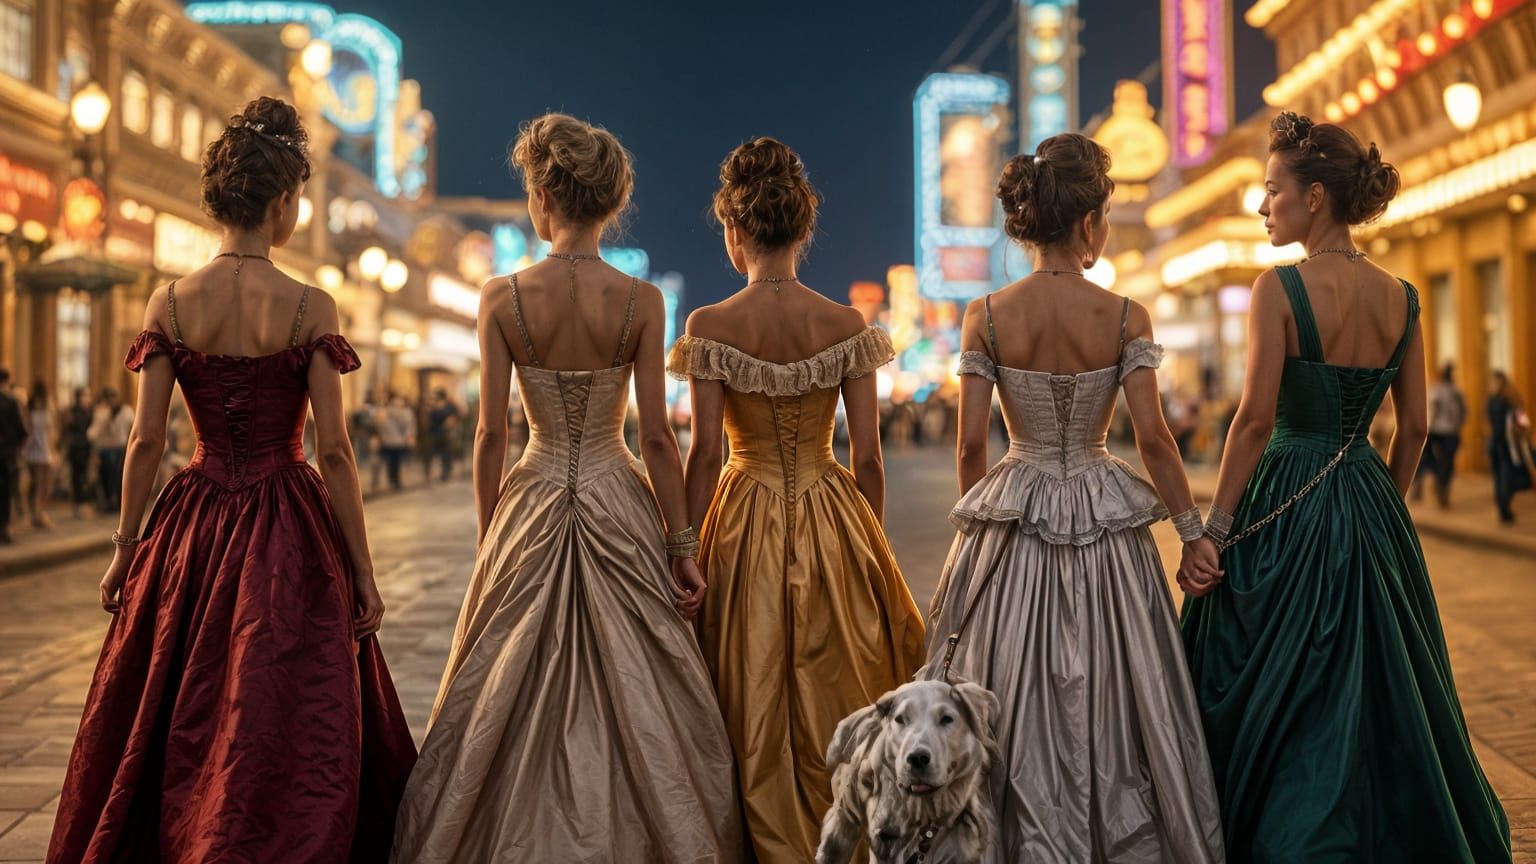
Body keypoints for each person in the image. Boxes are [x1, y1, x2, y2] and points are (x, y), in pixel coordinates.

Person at [47, 97, 415, 864]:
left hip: (193, 516)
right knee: (282, 700)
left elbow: (147, 440)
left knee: (178, 695)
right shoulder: (311, 305)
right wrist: (363, 571)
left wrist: (125, 547)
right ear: (282, 202)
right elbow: (337, 453)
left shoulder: (170, 303)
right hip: (290, 518)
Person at [391, 113, 741, 863]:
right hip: (618, 489)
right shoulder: (640, 301)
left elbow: (491, 434)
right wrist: (681, 545)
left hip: (534, 491)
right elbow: (655, 438)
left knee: (500, 686)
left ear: (544, 192)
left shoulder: (502, 297)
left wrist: (494, 537)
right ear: (610, 203)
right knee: (646, 690)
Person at [1182, 112, 1509, 861]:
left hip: (1287, 489)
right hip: (1367, 490)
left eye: (1272, 192)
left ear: (1316, 198)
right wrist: (1382, 502)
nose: (1264, 207)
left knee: (1276, 676)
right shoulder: (1402, 296)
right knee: (1384, 686)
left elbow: (1255, 421)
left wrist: (1215, 528)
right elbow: (1416, 425)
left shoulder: (1279, 288)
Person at [925, 133, 1225, 863]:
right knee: (1123, 691)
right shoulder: (1126, 316)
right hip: (1103, 508)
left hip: (1015, 502)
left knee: (1007, 688)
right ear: (1090, 222)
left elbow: (970, 447)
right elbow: (1154, 439)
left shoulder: (987, 316)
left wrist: (985, 531)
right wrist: (1193, 533)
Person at [670, 136, 925, 862]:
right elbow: (869, 457)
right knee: (834, 678)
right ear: (804, 230)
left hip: (742, 509)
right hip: (830, 506)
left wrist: (684, 547)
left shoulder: (710, 326)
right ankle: (837, 830)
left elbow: (707, 452)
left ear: (733, 231)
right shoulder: (846, 325)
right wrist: (866, 547)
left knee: (747, 686)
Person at [1413, 362, 1466, 507]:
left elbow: (1432, 410)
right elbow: (1463, 413)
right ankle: (1441, 486)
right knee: (1447, 462)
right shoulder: (1456, 392)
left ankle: (1433, 485)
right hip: (1449, 432)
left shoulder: (1435, 390)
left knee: (1430, 460)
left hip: (1436, 430)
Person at [1488, 370, 1532, 524]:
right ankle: (1504, 509)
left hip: (1494, 442)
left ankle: (1502, 507)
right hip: (1506, 445)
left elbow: (1490, 421)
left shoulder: (1492, 400)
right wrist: (1527, 431)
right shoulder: (1509, 399)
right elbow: (1522, 419)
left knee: (1498, 477)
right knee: (1507, 476)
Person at [87, 387, 133, 512]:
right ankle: (108, 502)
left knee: (121, 476)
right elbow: (93, 433)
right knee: (107, 477)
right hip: (106, 450)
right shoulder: (102, 413)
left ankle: (120, 503)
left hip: (122, 448)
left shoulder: (126, 411)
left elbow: (133, 428)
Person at [23, 380, 56, 529]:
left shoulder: (46, 407)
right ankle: (37, 514)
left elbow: (52, 430)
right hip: (35, 449)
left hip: (44, 449)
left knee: (45, 485)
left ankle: (39, 513)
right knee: (38, 484)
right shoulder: (29, 408)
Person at [61, 388, 95, 517]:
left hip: (85, 448)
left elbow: (93, 429)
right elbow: (67, 430)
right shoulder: (72, 412)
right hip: (75, 449)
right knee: (76, 477)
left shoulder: (90, 412)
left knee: (85, 477)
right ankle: (78, 504)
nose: (87, 399)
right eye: (84, 396)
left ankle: (83, 504)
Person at [0, 368, 24, 544]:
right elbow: (21, 431)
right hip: (7, 454)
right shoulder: (11, 402)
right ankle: (5, 528)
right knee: (6, 491)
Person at [377, 390, 415, 491]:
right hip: (391, 441)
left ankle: (396, 481)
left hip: (397, 441)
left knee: (397, 462)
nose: (399, 402)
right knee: (392, 462)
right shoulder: (405, 412)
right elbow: (381, 425)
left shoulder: (387, 411)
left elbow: (409, 426)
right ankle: (394, 481)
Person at [425, 387, 460, 482]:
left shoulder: (449, 406)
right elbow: (428, 419)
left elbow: (454, 418)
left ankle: (446, 472)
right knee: (429, 454)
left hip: (446, 433)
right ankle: (428, 473)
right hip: (433, 432)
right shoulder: (431, 406)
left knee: (446, 454)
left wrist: (451, 422)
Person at [349, 392, 382, 492]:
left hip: (365, 438)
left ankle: (371, 482)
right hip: (365, 438)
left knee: (370, 460)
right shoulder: (370, 414)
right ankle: (369, 483)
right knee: (368, 460)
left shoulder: (362, 414)